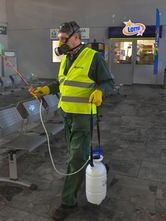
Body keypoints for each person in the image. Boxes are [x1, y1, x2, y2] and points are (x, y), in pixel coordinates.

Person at [33, 21, 115, 220]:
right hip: (67, 116)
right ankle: (94, 168)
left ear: (76, 37)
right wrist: (46, 89)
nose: (60, 42)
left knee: (75, 158)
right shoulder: (66, 59)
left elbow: (109, 82)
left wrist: (100, 91)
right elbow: (62, 83)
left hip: (83, 117)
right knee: (76, 152)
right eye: (59, 38)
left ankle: (68, 202)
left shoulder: (93, 57)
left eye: (63, 39)